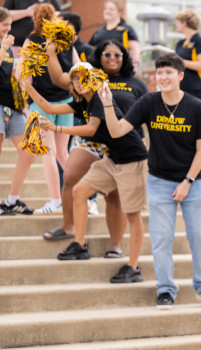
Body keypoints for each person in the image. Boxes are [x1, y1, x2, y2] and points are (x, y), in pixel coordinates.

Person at [99, 53, 201, 309]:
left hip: (194, 182)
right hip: (159, 181)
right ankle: (165, 289)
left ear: (180, 76)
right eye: (159, 73)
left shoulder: (197, 107)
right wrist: (108, 104)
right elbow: (117, 130)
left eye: (169, 73)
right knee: (162, 238)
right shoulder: (149, 102)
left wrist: (187, 181)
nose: (163, 78)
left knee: (199, 236)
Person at [22, 61, 148, 283]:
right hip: (112, 157)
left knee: (133, 214)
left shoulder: (99, 98)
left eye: (83, 78)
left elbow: (90, 129)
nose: (78, 83)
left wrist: (56, 128)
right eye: (75, 79)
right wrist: (28, 87)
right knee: (79, 191)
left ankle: (133, 267)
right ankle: (80, 245)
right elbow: (50, 108)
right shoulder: (83, 101)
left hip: (132, 159)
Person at [40, 41, 143, 264]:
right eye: (107, 53)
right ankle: (76, 238)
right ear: (99, 57)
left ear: (125, 57)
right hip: (98, 144)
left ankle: (120, 251)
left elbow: (145, 112)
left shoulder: (134, 83)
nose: (112, 57)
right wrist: (29, 82)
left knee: (119, 200)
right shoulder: (85, 84)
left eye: (117, 54)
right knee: (73, 183)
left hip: (125, 149)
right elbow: (60, 84)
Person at [19, 3, 76, 215]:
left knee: (48, 153)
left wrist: (26, 104)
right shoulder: (66, 42)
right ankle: (83, 198)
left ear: (35, 19)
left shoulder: (31, 40)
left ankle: (55, 201)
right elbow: (77, 68)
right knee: (63, 152)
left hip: (40, 102)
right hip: (66, 102)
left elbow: (24, 75)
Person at [0, 7, 35, 216]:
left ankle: (12, 201)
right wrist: (4, 47)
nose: (8, 29)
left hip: (12, 106)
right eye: (5, 24)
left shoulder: (8, 47)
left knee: (28, 154)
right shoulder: (5, 45)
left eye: (10, 25)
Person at [88, 0, 140, 72]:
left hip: (121, 70)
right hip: (100, 71)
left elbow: (135, 49)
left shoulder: (126, 29)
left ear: (119, 13)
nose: (107, 11)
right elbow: (90, 48)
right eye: (106, 9)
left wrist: (134, 65)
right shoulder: (98, 31)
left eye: (111, 9)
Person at [175, 9, 201, 102]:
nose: (176, 24)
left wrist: (180, 62)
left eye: (178, 22)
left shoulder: (199, 41)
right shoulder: (180, 43)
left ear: (184, 23)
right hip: (180, 88)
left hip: (195, 89)